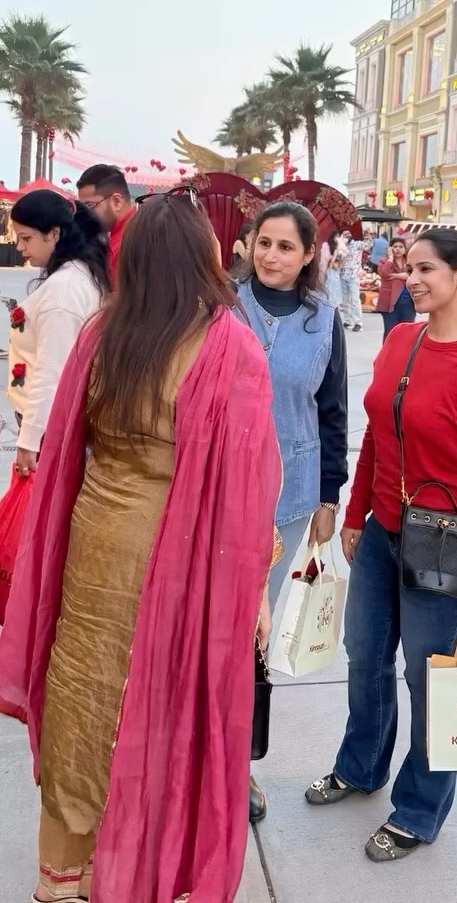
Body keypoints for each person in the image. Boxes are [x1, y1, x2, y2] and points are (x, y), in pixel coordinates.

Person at [0, 188, 282, 903]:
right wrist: (252, 588)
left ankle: (66, 876)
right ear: (202, 257)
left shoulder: (105, 330)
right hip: (176, 549)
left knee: (84, 694)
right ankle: (134, 872)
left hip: (93, 538)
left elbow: (67, 441)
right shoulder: (229, 346)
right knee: (157, 704)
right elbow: (248, 490)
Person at [304, 229, 457, 861]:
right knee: (365, 657)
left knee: (431, 683)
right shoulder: (402, 339)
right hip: (383, 532)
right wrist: (357, 512)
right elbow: (378, 433)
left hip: (446, 544)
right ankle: (361, 766)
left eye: (427, 269)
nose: (413, 279)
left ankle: (419, 810)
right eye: (409, 267)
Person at [236, 202, 349, 823]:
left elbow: (333, 413)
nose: (271, 255)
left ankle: (240, 763)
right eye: (264, 242)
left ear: (309, 255)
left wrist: (330, 497)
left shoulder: (323, 320)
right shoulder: (222, 307)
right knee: (214, 627)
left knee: (255, 633)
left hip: (288, 499)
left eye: (286, 246)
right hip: (221, 495)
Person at [9, 190, 111, 476]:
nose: (19, 246)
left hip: (49, 427)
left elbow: (51, 372)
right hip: (58, 423)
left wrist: (30, 439)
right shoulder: (78, 274)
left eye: (26, 238)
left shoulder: (64, 289)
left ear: (53, 234)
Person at [76, 164, 135, 286]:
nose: (84, 214)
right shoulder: (126, 233)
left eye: (89, 206)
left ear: (116, 202)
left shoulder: (128, 241)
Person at [377, 237, 415, 342]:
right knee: (390, 331)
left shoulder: (409, 262)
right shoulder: (384, 261)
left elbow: (413, 275)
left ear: (405, 250)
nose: (398, 249)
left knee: (407, 331)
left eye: (401, 247)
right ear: (390, 249)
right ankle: (388, 352)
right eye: (395, 246)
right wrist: (390, 259)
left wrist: (396, 276)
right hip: (390, 301)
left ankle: (405, 352)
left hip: (408, 302)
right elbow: (385, 274)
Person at [340, 229, 364, 332]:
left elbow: (368, 245)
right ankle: (347, 320)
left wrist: (367, 236)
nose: (347, 235)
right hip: (342, 274)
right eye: (345, 234)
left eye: (349, 233)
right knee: (345, 300)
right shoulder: (340, 245)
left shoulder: (357, 244)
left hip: (354, 275)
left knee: (355, 299)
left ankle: (358, 322)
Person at [319, 229, 346, 309]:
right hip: (328, 272)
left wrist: (342, 256)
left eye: (338, 237)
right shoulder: (326, 246)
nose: (337, 238)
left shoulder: (339, 247)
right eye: (336, 236)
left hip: (336, 275)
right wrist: (335, 254)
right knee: (329, 292)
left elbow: (340, 266)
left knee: (335, 292)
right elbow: (329, 264)